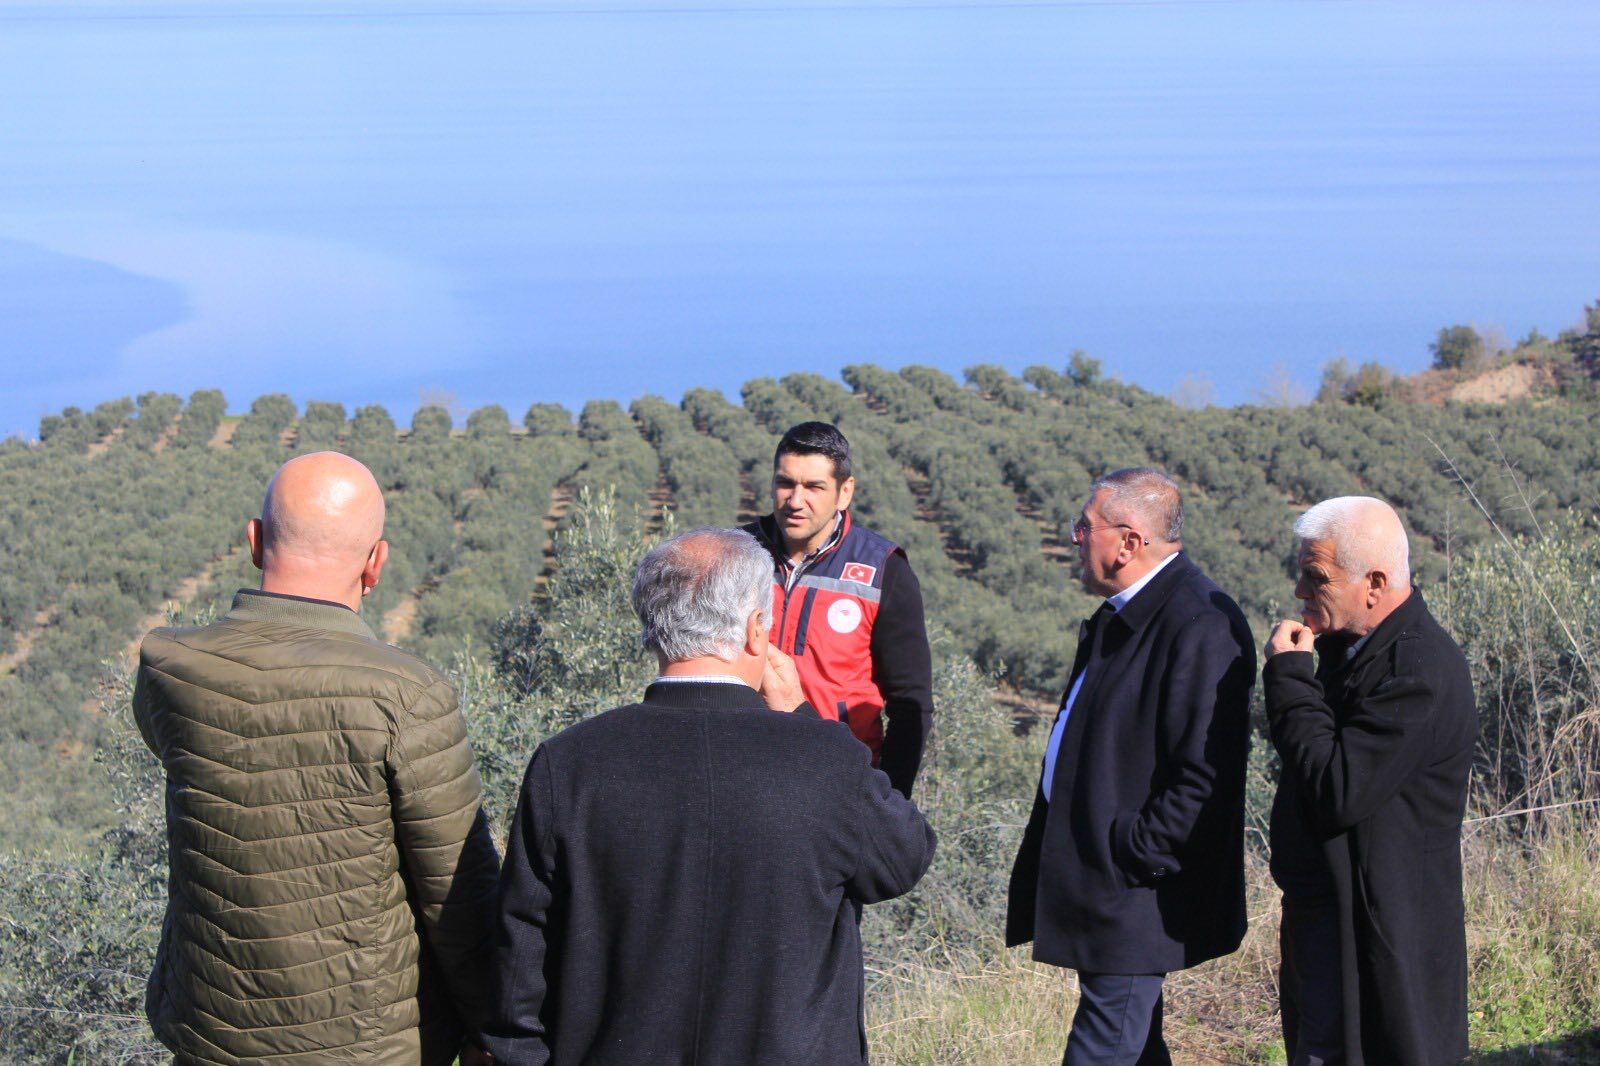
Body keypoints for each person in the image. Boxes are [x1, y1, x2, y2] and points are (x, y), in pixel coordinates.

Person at [482, 526, 935, 1065]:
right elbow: (904, 856)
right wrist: (803, 718)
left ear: (651, 624)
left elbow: (521, 952)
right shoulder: (824, 762)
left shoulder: (570, 763)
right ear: (754, 631)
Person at [133, 452, 500, 1065]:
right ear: (375, 563)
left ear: (254, 541)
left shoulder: (169, 667)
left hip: (209, 1034)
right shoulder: (405, 695)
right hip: (365, 1047)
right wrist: (494, 1028)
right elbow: (458, 898)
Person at [1006, 467, 1255, 1066]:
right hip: (1111, 880)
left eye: (1083, 526)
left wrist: (1133, 852)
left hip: (1135, 889)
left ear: (1128, 542)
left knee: (1102, 1047)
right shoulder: (1127, 615)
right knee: (1134, 1045)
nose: (1074, 539)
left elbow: (1203, 776)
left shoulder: (1198, 623)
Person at [1264, 496, 1476, 1066]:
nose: (1301, 594)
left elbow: (1338, 790)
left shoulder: (1417, 673)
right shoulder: (1351, 653)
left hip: (1381, 936)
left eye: (1316, 578)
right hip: (1331, 924)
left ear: (1375, 583)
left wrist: (1289, 682)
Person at [743, 421, 933, 798]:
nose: (795, 501)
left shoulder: (884, 569)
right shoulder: (736, 554)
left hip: (840, 786)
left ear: (844, 492)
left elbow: (910, 704)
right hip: (746, 777)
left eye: (814, 487)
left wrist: (890, 802)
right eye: (785, 483)